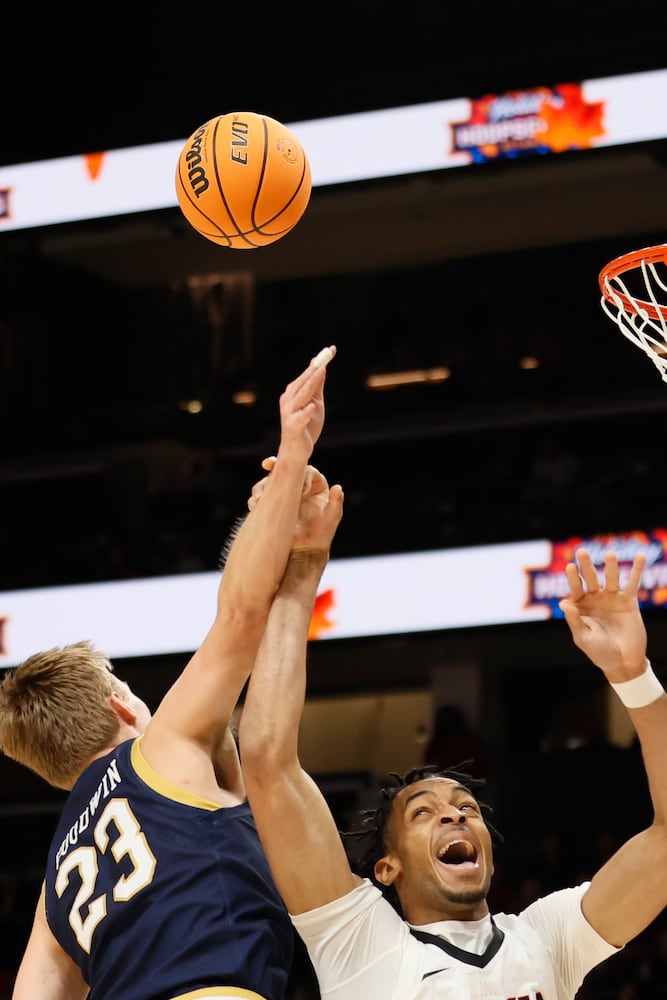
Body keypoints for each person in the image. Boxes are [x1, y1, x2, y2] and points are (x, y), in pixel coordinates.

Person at [239, 472, 667, 1000]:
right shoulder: (360, 943)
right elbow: (265, 758)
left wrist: (634, 677)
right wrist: (303, 566)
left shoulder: (547, 938)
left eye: (467, 807)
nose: (455, 814)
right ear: (387, 868)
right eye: (423, 812)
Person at [0, 345, 336, 1000]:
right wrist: (292, 453)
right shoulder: (160, 751)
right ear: (123, 705)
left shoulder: (57, 884)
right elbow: (239, 614)